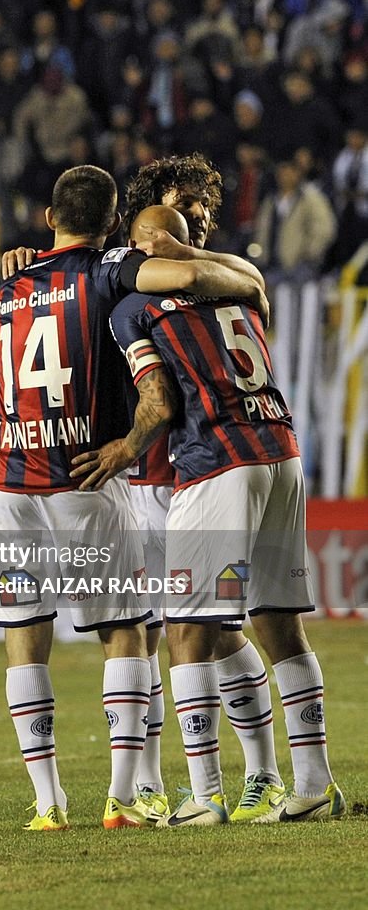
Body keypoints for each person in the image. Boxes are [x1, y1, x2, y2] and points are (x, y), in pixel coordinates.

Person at [0, 165, 269, 832]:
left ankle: (52, 803)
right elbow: (188, 279)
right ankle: (132, 792)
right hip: (103, 474)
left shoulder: (5, 290)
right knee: (138, 629)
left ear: (50, 217)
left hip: (13, 476)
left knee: (36, 637)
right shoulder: (114, 272)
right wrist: (241, 276)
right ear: (117, 228)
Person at [90, 203, 344, 827]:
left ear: (143, 247)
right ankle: (313, 784)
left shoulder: (134, 308)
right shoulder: (240, 289)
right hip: (280, 455)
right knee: (278, 621)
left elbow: (160, 402)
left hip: (216, 466)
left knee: (186, 632)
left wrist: (123, 450)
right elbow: (247, 285)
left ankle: (205, 795)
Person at [119, 156, 285, 823]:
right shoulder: (125, 271)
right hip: (146, 484)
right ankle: (166, 785)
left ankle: (256, 776)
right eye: (187, 201)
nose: (202, 215)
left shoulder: (204, 275)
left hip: (194, 471)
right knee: (170, 631)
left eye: (208, 205)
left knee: (210, 629)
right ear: (150, 208)